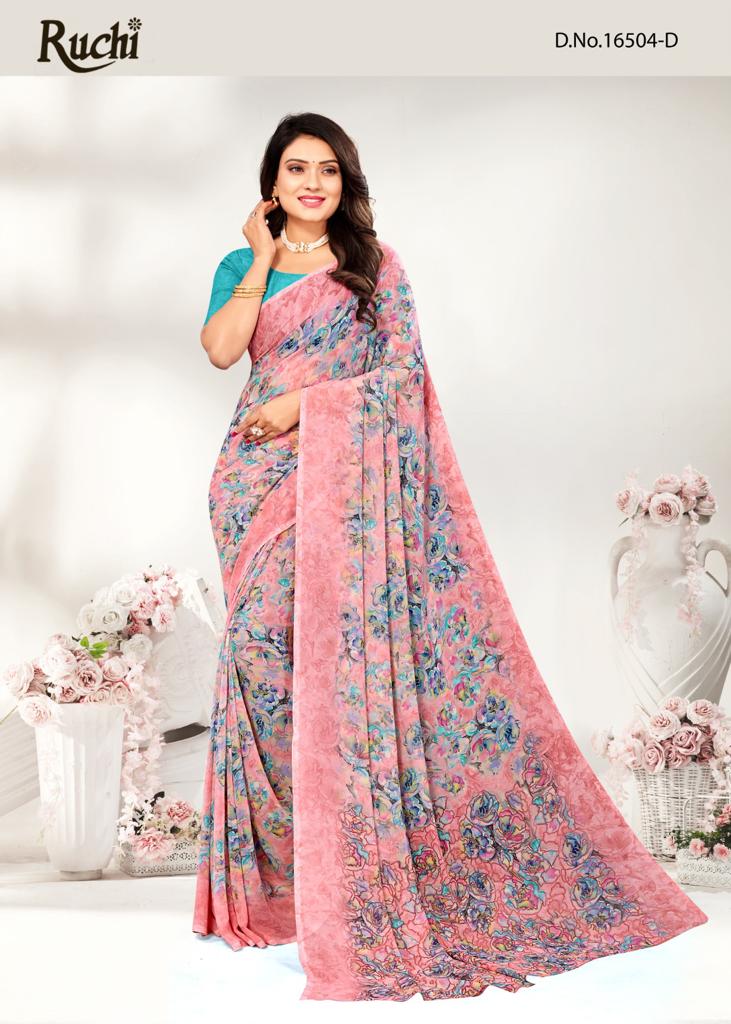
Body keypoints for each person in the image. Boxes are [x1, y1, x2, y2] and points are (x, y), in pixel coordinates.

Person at [192, 111, 708, 1002]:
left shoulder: (376, 267)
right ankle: (278, 886)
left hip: (340, 485)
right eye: (295, 169)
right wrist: (262, 257)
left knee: (333, 672)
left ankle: (343, 872)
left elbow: (401, 377)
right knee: (260, 665)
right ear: (271, 182)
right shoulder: (244, 266)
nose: (311, 184)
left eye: (327, 170)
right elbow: (219, 351)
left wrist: (308, 404)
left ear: (346, 183)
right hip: (254, 484)